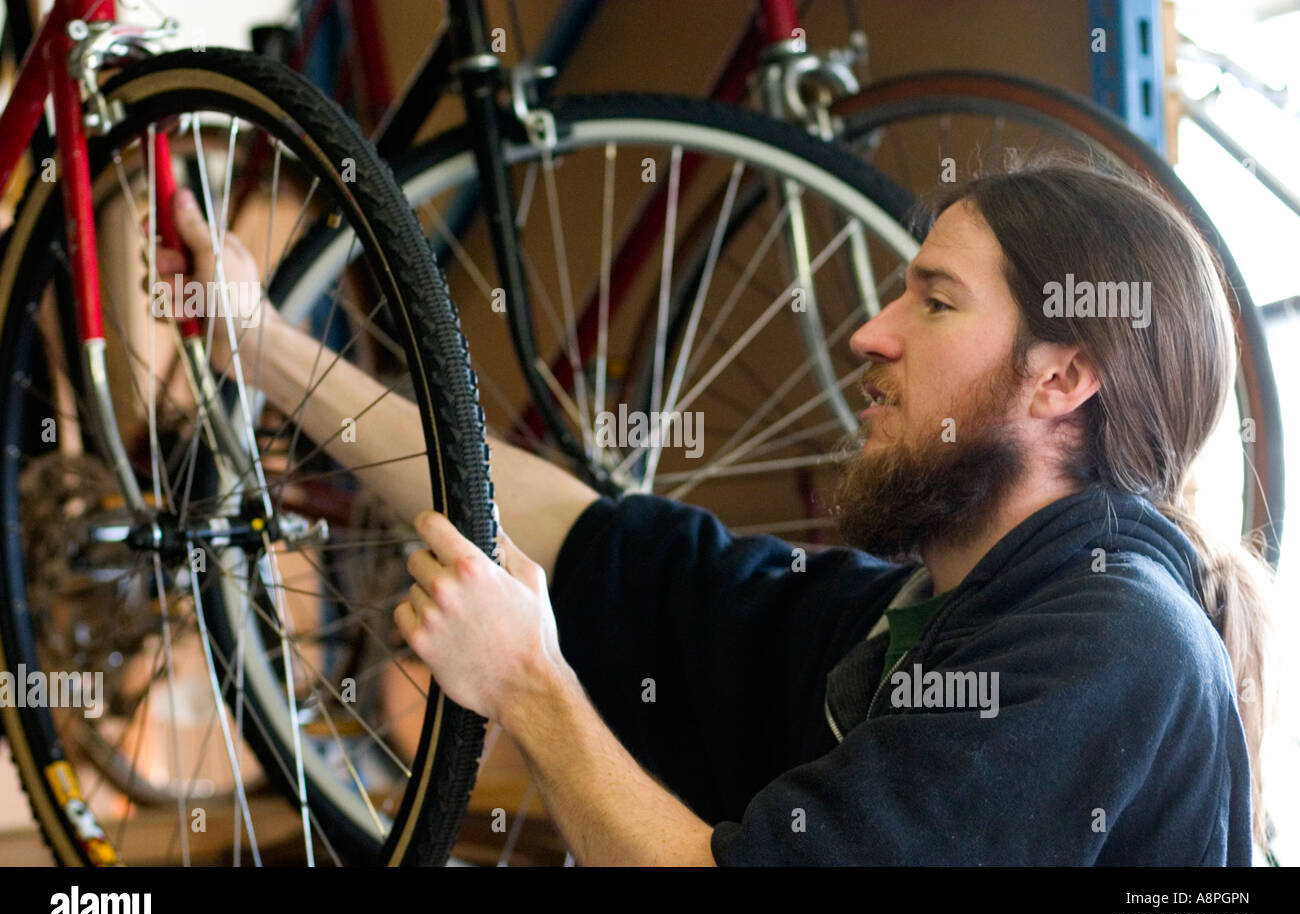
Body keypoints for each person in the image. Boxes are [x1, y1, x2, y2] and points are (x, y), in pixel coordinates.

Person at [154, 156, 1278, 865]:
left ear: (1059, 378)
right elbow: (595, 541)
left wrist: (529, 690)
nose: (870, 332)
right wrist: (262, 347)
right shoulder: (923, 624)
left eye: (933, 301)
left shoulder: (1106, 645)